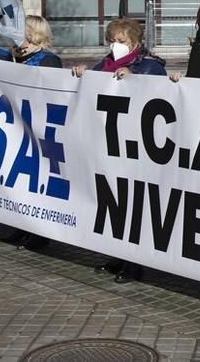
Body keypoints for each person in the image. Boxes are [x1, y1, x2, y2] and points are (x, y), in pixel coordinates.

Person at [72, 18, 165, 283]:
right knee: (112, 203)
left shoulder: (149, 66)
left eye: (122, 41)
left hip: (135, 147)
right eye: (112, 40)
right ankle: (117, 256)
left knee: (132, 205)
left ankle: (134, 263)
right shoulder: (105, 65)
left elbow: (159, 99)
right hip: (108, 147)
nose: (116, 45)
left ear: (135, 42)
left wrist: (135, 81)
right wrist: (83, 74)